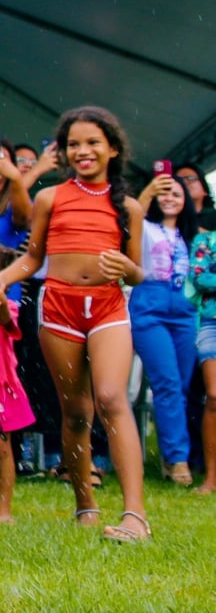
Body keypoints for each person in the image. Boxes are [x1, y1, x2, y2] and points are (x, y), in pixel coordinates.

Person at [0, 106, 148, 542]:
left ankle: (135, 516)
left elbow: (137, 273)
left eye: (93, 142)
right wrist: (1, 279)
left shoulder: (129, 208)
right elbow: (33, 258)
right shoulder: (49, 198)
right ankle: (85, 505)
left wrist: (126, 269)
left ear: (113, 149)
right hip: (59, 309)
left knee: (111, 397)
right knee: (75, 412)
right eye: (74, 144)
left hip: (108, 308)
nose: (83, 151)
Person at [130, 172, 199, 485]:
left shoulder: (192, 236)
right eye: (164, 193)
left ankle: (173, 455)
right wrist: (148, 191)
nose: (170, 198)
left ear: (186, 201)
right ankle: (177, 458)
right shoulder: (144, 227)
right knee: (167, 382)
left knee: (181, 386)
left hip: (185, 309)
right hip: (150, 306)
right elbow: (132, 216)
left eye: (176, 194)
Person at [0, 248, 36, 523]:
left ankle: (4, 508)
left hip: (0, 386)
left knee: (2, 448)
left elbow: (7, 323)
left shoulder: (8, 306)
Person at [188, 222, 216, 494]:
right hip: (211, 323)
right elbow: (200, 278)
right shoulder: (205, 240)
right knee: (214, 396)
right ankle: (211, 477)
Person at [174, 163, 216, 233]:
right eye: (179, 180)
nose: (184, 182)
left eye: (190, 178)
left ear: (205, 190)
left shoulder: (213, 216)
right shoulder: (168, 218)